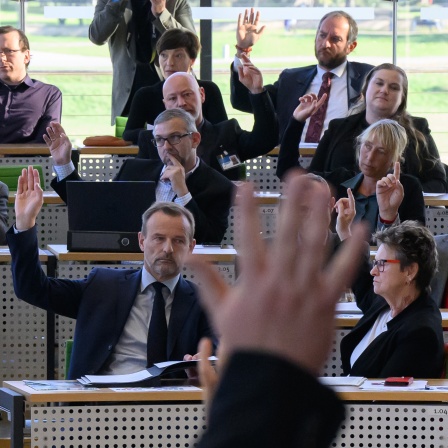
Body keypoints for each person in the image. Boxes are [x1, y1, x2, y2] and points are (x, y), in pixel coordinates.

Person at [185, 173, 368, 447]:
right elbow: (249, 310)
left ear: (330, 207)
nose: (305, 218)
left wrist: (235, 397)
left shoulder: (345, 251)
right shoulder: (263, 254)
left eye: (312, 210)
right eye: (299, 210)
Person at [7, 167, 215, 380]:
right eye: (158, 238)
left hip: (172, 409)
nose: (167, 249)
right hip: (101, 405)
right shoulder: (103, 286)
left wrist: (203, 364)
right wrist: (25, 224)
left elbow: (218, 354)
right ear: (141, 241)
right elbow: (31, 289)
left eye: (178, 241)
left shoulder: (204, 302)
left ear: (191, 247)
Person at [47, 109, 233, 244]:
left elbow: (209, 240)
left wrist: (183, 192)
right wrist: (64, 164)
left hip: (183, 273)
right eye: (159, 140)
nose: (167, 147)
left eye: (175, 137)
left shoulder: (218, 186)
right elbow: (94, 210)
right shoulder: (133, 170)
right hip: (125, 268)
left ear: (195, 139)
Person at [278, 103, 425, 236]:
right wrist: (297, 122)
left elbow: (415, 246)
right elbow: (289, 174)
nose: (370, 157)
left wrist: (389, 215)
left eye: (381, 151)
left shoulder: (408, 188)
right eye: (367, 146)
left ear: (394, 160)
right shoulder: (337, 180)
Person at [230, 9, 373, 141]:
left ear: (351, 46)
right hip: (291, 161)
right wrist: (242, 50)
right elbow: (242, 101)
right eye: (322, 35)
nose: (325, 44)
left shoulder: (369, 78)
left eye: (335, 39)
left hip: (339, 164)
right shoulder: (291, 79)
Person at [309, 63, 447, 193]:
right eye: (379, 83)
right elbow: (314, 175)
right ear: (365, 89)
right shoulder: (338, 128)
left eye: (393, 87)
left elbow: (439, 182)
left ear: (402, 98)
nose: (384, 90)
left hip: (399, 211)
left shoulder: (418, 130)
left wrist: (403, 195)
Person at [340, 220, 444, 378]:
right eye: (375, 263)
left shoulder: (420, 333)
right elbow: (362, 280)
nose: (373, 271)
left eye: (381, 264)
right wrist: (345, 232)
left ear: (410, 271)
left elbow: (386, 400)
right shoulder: (384, 303)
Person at [137, 71, 278, 181]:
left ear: (202, 95)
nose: (181, 103)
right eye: (172, 98)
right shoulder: (151, 142)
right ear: (165, 104)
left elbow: (265, 140)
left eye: (187, 95)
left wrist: (257, 92)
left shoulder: (226, 134)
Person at [89, 0, 195, 123]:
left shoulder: (175, 2)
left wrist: (162, 13)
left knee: (173, 139)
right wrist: (115, 4)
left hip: (170, 93)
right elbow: (96, 36)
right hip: (127, 98)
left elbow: (191, 44)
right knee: (128, 140)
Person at [123, 28, 227, 143]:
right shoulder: (146, 95)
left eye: (178, 56)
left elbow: (223, 131)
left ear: (192, 60)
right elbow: (128, 134)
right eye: (164, 55)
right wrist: (163, 134)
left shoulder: (209, 90)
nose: (169, 63)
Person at [0, 26, 62, 144]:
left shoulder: (48, 94)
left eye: (9, 51)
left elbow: (46, 141)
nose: (2, 57)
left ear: (26, 56)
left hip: (30, 161)